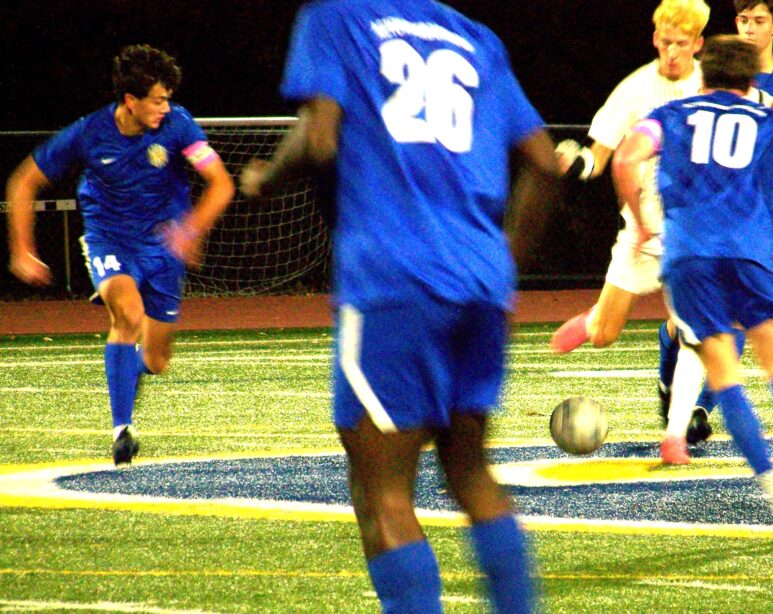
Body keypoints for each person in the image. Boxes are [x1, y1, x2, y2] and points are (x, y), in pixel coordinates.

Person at [238, 1, 560, 612]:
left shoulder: (336, 17)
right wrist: (497, 266)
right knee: (470, 473)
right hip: (480, 280)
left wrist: (264, 179)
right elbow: (544, 164)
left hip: (394, 277)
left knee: (382, 491)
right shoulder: (476, 35)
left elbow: (321, 137)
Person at [611, 34, 773, 537]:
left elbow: (626, 159)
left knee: (725, 377)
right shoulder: (770, 116)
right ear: (748, 79)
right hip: (750, 253)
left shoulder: (673, 114)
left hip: (691, 258)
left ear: (703, 74)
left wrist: (640, 222)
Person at [5, 45, 235, 466]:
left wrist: (190, 228)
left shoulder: (179, 126)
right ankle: (122, 432)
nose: (166, 107)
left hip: (164, 248)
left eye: (168, 99)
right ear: (131, 100)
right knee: (127, 313)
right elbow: (23, 182)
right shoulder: (89, 133)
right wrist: (21, 249)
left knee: (157, 360)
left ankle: (130, 371)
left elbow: (220, 182)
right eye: (158, 99)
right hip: (110, 240)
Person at [548, 0, 712, 465]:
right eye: (665, 42)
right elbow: (599, 156)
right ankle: (592, 321)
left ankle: (675, 436)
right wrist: (575, 163)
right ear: (654, 38)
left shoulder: (713, 86)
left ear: (698, 44)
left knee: (694, 334)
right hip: (640, 232)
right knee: (605, 334)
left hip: (695, 234)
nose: (673, 52)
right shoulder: (637, 88)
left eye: (682, 43)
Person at [683, 0, 773, 447]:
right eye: (742, 19)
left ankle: (701, 407)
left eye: (759, 20)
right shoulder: (711, 71)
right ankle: (677, 381)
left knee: (739, 315)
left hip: (763, 213)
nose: (748, 28)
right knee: (683, 320)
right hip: (704, 215)